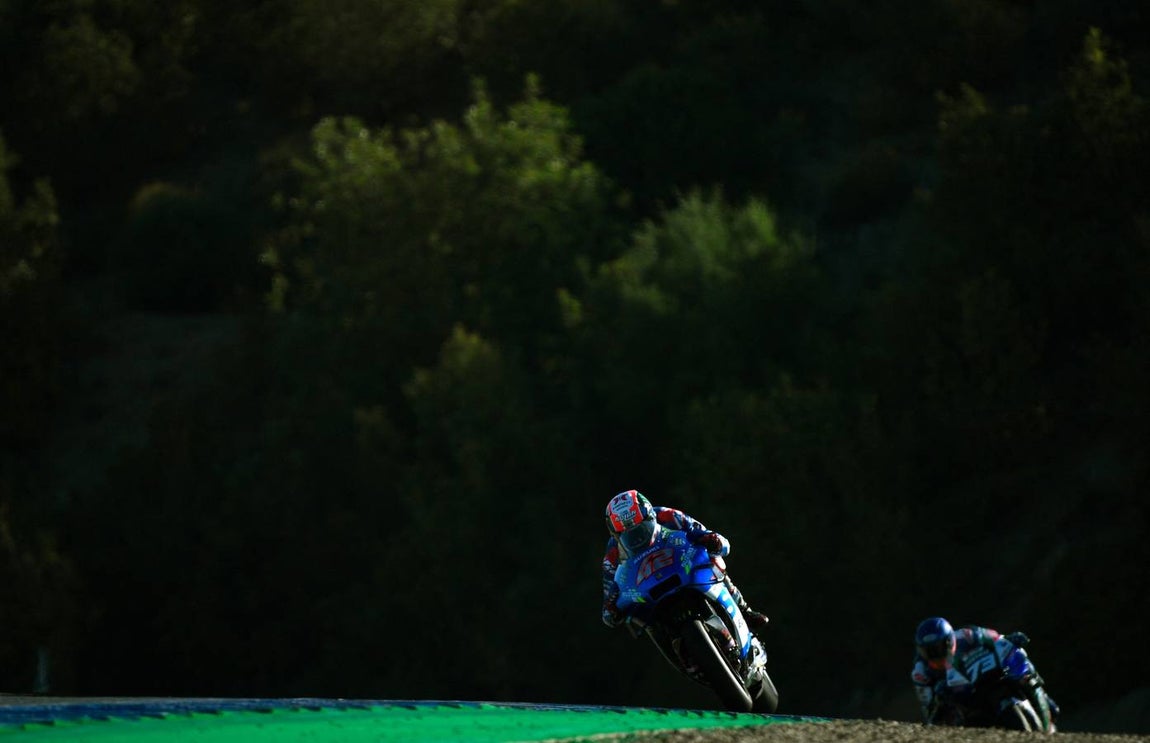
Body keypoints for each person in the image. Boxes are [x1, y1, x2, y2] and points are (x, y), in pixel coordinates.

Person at [600, 489, 770, 633]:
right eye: (629, 535)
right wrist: (611, 607)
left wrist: (712, 541)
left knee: (712, 558)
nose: (638, 538)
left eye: (642, 528)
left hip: (680, 566)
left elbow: (707, 534)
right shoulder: (612, 551)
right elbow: (608, 597)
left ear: (650, 516)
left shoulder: (668, 516)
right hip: (648, 589)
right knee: (638, 619)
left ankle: (744, 610)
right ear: (616, 535)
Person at [911, 616, 1060, 726]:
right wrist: (940, 701)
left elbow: (994, 638)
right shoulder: (920, 673)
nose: (935, 656)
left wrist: (1009, 639)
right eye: (928, 651)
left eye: (938, 648)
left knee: (1018, 659)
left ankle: (1041, 697)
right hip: (962, 703)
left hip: (980, 682)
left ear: (950, 641)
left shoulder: (967, 635)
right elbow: (929, 713)